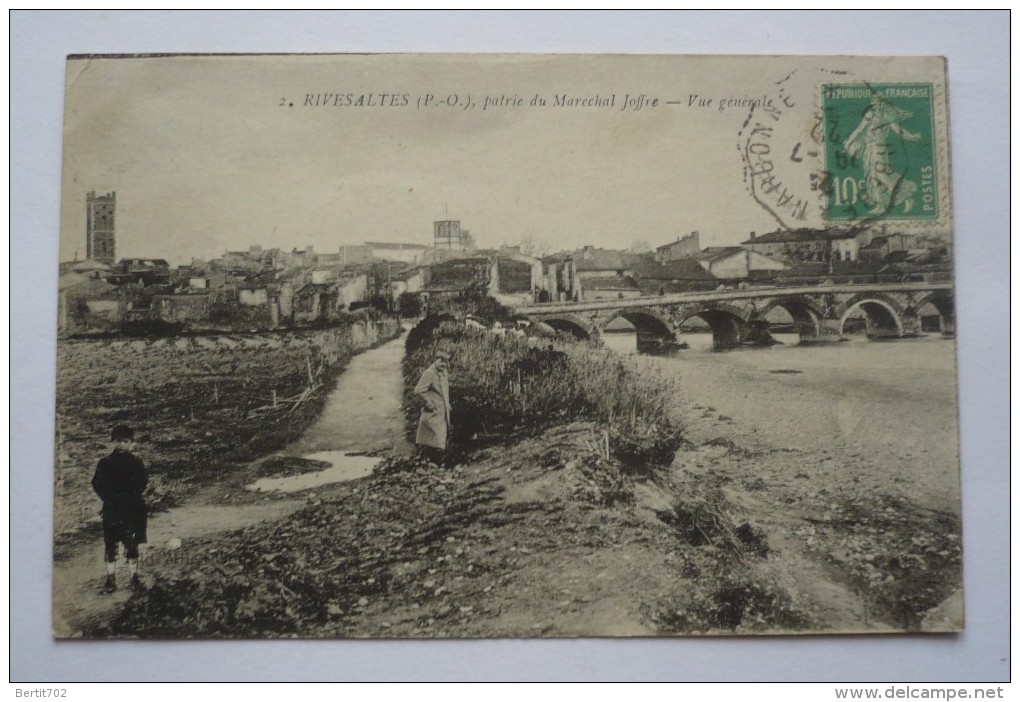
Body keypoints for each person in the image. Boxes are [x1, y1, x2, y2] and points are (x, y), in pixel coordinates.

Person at [92, 424, 148, 594]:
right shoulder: (105, 463)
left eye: (125, 441)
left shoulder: (136, 462)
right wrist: (109, 498)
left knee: (132, 544)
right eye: (118, 441)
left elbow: (143, 481)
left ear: (131, 443)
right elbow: (97, 483)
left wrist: (132, 495)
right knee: (110, 544)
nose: (122, 445)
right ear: (113, 442)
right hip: (112, 509)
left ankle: (134, 577)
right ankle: (110, 579)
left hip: (132, 508)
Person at [414, 349, 451, 465]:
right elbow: (419, 390)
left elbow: (444, 391)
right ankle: (432, 464)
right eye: (441, 360)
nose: (443, 364)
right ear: (436, 359)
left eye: (446, 361)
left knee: (440, 438)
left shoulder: (444, 372)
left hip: (442, 411)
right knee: (434, 440)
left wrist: (447, 404)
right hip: (433, 413)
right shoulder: (429, 373)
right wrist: (429, 403)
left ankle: (435, 464)